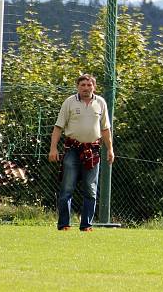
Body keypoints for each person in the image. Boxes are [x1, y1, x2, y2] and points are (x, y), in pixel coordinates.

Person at [49, 74, 115, 231]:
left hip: (92, 150)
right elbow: (58, 127)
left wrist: (110, 149)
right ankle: (64, 224)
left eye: (89, 85)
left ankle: (86, 225)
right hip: (72, 149)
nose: (86, 87)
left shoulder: (101, 103)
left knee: (90, 189)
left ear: (94, 87)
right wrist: (53, 148)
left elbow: (105, 129)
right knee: (67, 188)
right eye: (83, 85)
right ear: (77, 87)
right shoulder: (69, 102)